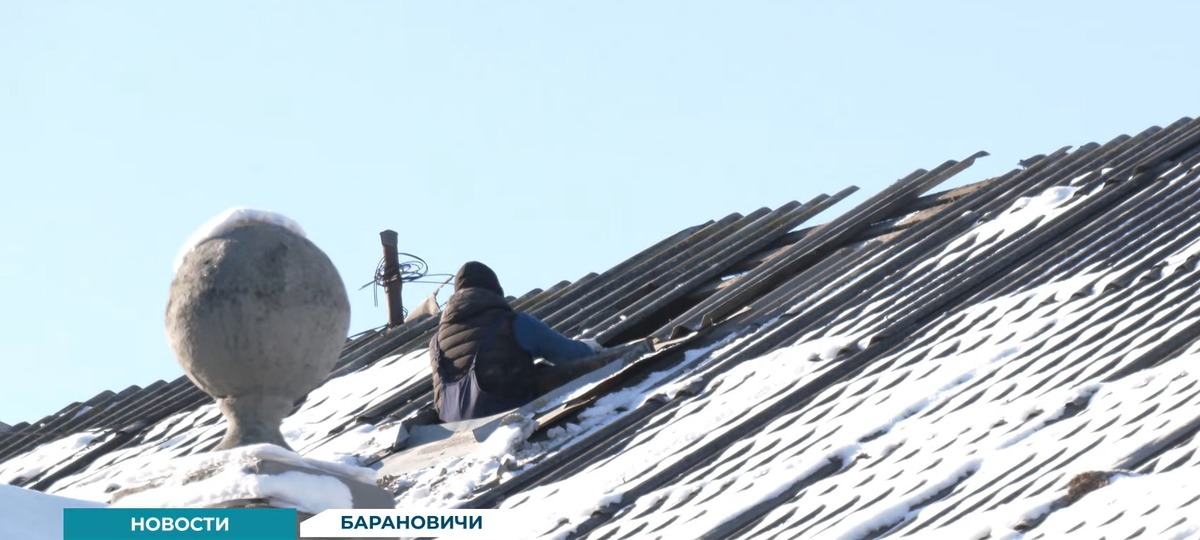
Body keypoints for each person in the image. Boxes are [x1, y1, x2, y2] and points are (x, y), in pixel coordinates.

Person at [431, 261, 605, 422]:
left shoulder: (435, 343)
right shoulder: (512, 322)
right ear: (496, 292)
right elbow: (569, 354)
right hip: (505, 411)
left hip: (452, 426)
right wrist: (590, 347)